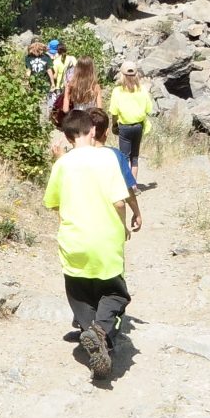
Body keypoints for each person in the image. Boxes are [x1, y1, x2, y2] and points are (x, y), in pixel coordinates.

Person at [43, 106, 135, 380]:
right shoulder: (107, 159)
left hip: (74, 239)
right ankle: (100, 331)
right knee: (115, 292)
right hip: (105, 238)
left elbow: (53, 203)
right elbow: (119, 200)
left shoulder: (62, 164)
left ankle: (93, 336)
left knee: (80, 292)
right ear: (93, 131)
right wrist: (123, 225)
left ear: (67, 136)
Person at [90, 106, 142, 235]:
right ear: (106, 132)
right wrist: (136, 212)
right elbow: (127, 189)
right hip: (110, 225)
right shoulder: (116, 156)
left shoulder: (74, 157)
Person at [107, 62, 154, 175]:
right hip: (138, 125)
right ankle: (134, 185)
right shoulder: (142, 89)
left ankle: (127, 185)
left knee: (125, 157)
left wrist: (114, 125)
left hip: (124, 126)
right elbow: (149, 109)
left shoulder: (117, 91)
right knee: (135, 157)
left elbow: (114, 112)